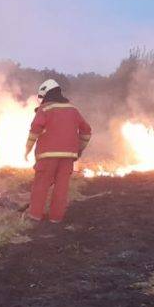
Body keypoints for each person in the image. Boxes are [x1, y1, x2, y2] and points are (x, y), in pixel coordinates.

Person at [25, 79, 92, 223]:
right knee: (61, 187)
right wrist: (79, 148)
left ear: (46, 94)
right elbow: (87, 131)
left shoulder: (44, 110)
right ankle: (56, 218)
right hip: (68, 157)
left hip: (47, 156)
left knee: (41, 184)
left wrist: (27, 149)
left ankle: (35, 215)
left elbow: (35, 129)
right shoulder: (73, 110)